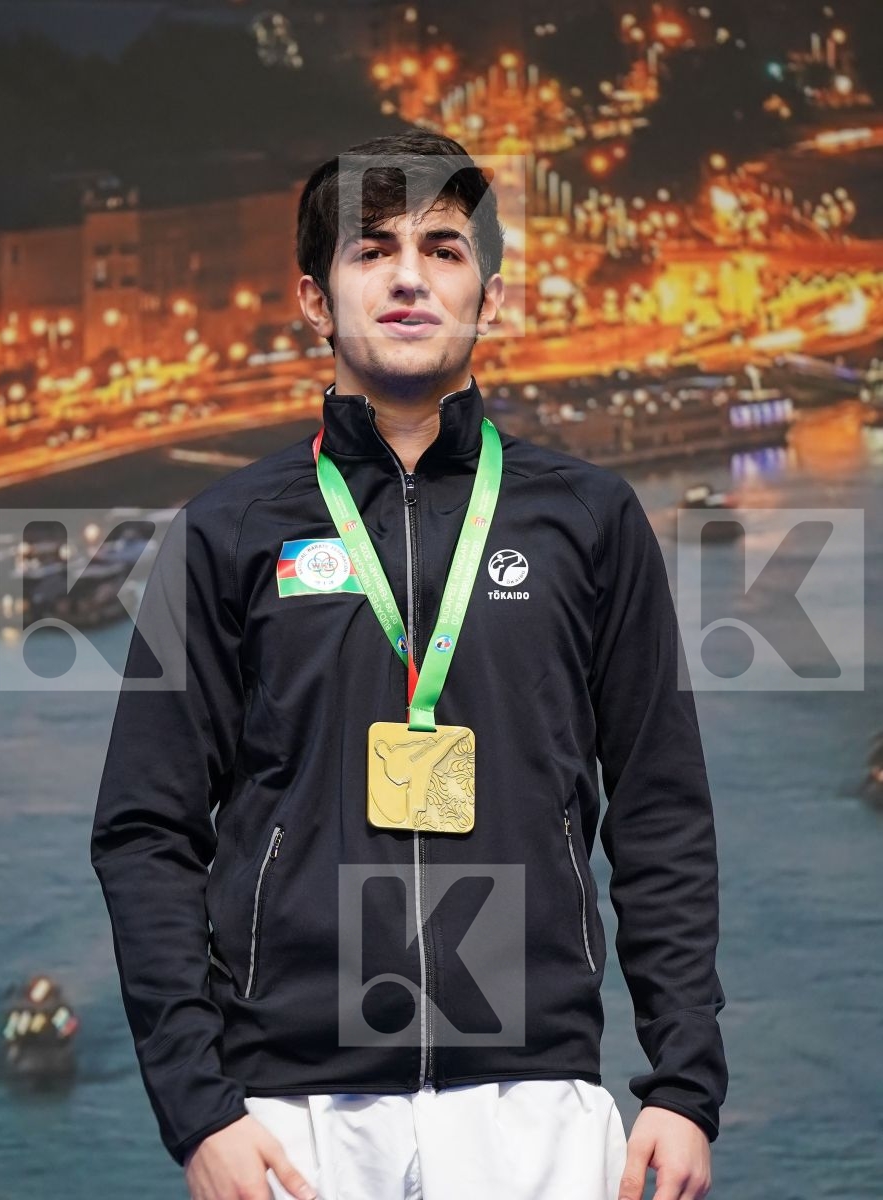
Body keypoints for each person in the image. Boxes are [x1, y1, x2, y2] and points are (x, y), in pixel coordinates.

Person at [90, 129, 727, 1200]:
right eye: (370, 249)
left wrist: (683, 1085)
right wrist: (198, 1111)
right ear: (314, 298)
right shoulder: (219, 533)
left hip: (538, 1108)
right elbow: (144, 830)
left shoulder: (592, 520)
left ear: (488, 293)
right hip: (289, 1122)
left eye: (442, 248)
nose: (407, 277)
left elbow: (660, 811)